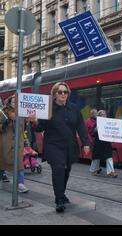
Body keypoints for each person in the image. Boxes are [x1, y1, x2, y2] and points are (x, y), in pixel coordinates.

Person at [29, 82, 90, 213]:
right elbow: (40, 127)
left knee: (66, 171)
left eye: (65, 92)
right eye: (60, 92)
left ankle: (61, 194)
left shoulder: (74, 109)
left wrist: (86, 143)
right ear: (54, 94)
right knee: (58, 169)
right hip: (53, 145)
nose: (63, 94)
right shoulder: (48, 109)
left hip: (69, 145)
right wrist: (34, 121)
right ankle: (59, 200)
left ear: (68, 94)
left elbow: (81, 127)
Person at [0, 95, 29, 193]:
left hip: (18, 143)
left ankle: (20, 183)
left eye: (17, 102)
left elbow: (22, 128)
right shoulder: (3, 112)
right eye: (13, 102)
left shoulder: (21, 113)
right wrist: (6, 123)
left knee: (19, 163)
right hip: (5, 143)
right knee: (2, 163)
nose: (15, 104)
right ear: (9, 103)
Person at [89, 110, 118, 178]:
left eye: (104, 114)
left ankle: (111, 172)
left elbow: (113, 131)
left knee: (109, 157)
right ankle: (94, 170)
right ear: (99, 116)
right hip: (98, 143)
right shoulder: (97, 123)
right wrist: (95, 130)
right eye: (101, 114)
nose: (103, 115)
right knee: (96, 158)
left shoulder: (109, 123)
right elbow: (92, 133)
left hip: (106, 143)